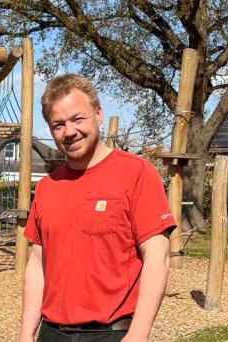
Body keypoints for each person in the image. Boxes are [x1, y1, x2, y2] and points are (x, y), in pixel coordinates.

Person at [18, 74, 175, 342]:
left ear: (98, 114)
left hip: (110, 333)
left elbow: (157, 257)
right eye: (58, 125)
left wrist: (138, 334)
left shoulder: (136, 173)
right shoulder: (46, 187)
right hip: (52, 332)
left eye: (78, 119)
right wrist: (25, 333)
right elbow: (36, 263)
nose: (69, 131)